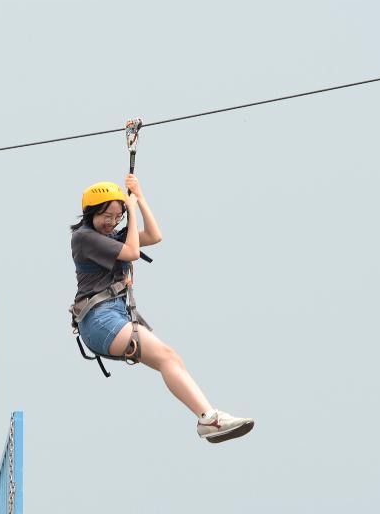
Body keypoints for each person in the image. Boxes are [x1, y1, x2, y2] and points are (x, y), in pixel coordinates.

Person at [70, 174, 254, 443]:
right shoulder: (84, 238)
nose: (111, 223)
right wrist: (129, 209)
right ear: (91, 214)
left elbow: (155, 236)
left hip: (116, 314)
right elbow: (132, 252)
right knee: (167, 357)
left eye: (116, 217)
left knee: (171, 358)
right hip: (98, 318)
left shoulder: (111, 237)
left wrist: (139, 199)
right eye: (105, 216)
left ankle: (208, 417)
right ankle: (209, 420)